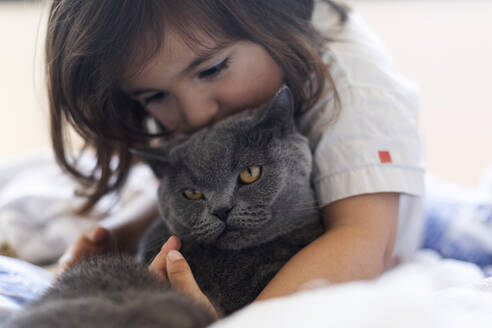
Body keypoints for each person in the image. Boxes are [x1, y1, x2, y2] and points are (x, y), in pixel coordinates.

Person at [46, 0, 424, 314]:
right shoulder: (217, 82)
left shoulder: (354, 90)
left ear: (276, 12)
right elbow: (198, 182)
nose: (194, 114)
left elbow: (362, 239)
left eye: (211, 69)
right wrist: (118, 235)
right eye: (155, 97)